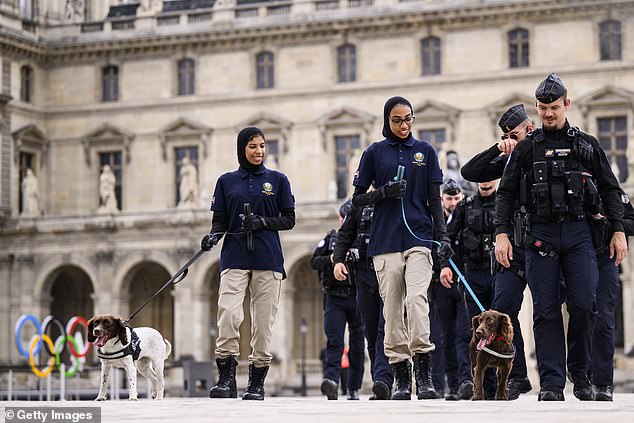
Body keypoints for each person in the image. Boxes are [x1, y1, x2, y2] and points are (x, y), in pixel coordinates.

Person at [494, 73, 627, 401]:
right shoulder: (526, 148)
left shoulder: (587, 145)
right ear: (536, 109)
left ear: (567, 104)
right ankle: (552, 383)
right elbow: (506, 193)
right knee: (545, 310)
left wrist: (619, 231)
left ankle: (580, 374)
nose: (548, 113)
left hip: (580, 231)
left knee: (584, 304)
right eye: (542, 108)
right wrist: (501, 234)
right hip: (540, 234)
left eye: (554, 107)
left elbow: (611, 189)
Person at [351, 96, 453, 400]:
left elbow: (435, 201)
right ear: (387, 121)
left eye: (409, 119)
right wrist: (382, 193)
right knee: (392, 309)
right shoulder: (374, 153)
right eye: (397, 120)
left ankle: (424, 375)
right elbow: (357, 201)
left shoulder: (425, 152)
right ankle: (401, 376)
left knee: (416, 300)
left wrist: (443, 237)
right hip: (384, 243)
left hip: (419, 238)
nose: (404, 125)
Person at [201, 126, 295, 401]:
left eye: (262, 146)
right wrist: (212, 237)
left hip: (268, 258)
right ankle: (227, 379)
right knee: (229, 314)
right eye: (253, 146)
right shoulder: (226, 181)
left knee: (263, 322)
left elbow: (289, 219)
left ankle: (256, 383)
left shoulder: (278, 180)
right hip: (234, 256)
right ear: (242, 148)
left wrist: (263, 222)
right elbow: (219, 221)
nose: (259, 151)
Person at [460, 104, 535, 400]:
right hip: (514, 245)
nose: (510, 139)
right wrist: (498, 149)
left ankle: (564, 377)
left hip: (549, 241)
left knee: (555, 310)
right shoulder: (508, 159)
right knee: (505, 310)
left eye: (513, 134)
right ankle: (518, 377)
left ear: (529, 128)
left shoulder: (545, 145)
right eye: (505, 135)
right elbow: (470, 171)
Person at [441, 179, 498, 399]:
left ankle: (499, 383)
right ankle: (476, 384)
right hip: (471, 275)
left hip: (497, 274)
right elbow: (448, 238)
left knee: (498, 332)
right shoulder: (466, 207)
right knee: (476, 332)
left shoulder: (504, 201)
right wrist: (445, 266)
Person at [333, 200, 394, 400]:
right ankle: (379, 380)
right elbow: (345, 233)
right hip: (364, 274)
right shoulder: (358, 205)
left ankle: (384, 380)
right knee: (370, 331)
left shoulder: (393, 203)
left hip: (387, 272)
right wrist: (339, 259)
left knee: (384, 329)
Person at [311, 202, 365, 400]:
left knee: (358, 344)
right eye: (344, 218)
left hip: (356, 295)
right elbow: (314, 261)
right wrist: (331, 259)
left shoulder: (361, 238)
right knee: (334, 341)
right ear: (340, 218)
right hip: (334, 296)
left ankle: (353, 387)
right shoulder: (330, 239)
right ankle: (331, 382)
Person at [430, 179, 473, 400]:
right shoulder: (435, 222)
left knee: (465, 334)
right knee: (445, 336)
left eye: (457, 198)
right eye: (449, 198)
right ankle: (454, 385)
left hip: (463, 282)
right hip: (441, 285)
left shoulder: (467, 217)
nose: (454, 202)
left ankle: (467, 380)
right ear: (442, 199)